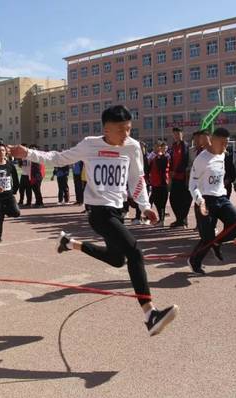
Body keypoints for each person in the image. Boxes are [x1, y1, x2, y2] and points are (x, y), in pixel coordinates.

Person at [9, 105, 178, 337]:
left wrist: (145, 206)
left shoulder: (132, 147)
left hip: (119, 211)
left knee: (117, 260)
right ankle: (150, 314)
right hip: (99, 212)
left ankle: (70, 243)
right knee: (135, 253)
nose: (126, 134)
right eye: (121, 130)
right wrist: (28, 153)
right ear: (106, 129)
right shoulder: (90, 144)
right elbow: (59, 158)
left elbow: (136, 177)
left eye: (129, 129)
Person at [188, 128, 236, 274]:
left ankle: (217, 242)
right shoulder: (201, 159)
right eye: (222, 143)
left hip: (221, 198)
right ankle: (194, 261)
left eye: (226, 143)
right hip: (205, 200)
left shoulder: (222, 155)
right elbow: (192, 185)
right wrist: (199, 201)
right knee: (207, 237)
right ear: (213, 141)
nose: (225, 147)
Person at [168, 127, 189, 228]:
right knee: (173, 199)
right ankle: (179, 219)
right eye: (175, 134)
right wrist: (171, 171)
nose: (176, 136)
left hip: (182, 177)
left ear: (182, 134)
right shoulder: (173, 146)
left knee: (182, 200)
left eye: (178, 134)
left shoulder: (184, 145)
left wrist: (176, 171)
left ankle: (182, 221)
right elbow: (172, 160)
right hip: (175, 177)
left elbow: (184, 161)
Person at [148, 142, 170, 226]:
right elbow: (149, 168)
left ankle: (162, 220)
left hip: (162, 183)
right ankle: (161, 219)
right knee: (157, 202)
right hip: (155, 183)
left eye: (157, 147)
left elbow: (163, 168)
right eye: (155, 146)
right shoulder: (154, 157)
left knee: (161, 202)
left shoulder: (164, 157)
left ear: (160, 148)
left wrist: (159, 157)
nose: (155, 148)